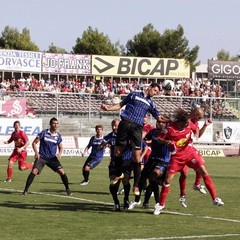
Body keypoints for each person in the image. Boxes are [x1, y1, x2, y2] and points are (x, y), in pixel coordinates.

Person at [101, 82, 169, 196]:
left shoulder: (151, 103)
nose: (155, 93)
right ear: (150, 88)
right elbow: (120, 104)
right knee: (118, 152)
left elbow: (159, 117)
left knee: (137, 157)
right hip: (125, 123)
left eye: (157, 92)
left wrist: (172, 121)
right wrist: (108, 108)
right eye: (155, 90)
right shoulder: (134, 95)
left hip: (137, 128)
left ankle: (136, 186)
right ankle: (118, 174)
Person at [154, 108, 224, 215]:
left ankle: (215, 198)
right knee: (168, 181)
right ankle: (161, 205)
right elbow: (159, 139)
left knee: (204, 171)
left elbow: (197, 134)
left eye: (188, 123)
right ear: (179, 122)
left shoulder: (189, 124)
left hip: (190, 153)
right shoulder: (170, 129)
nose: (187, 125)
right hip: (176, 158)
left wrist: (201, 128)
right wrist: (167, 141)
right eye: (185, 123)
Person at [22, 117, 72, 196]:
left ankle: (68, 189)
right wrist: (36, 153)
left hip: (52, 158)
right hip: (42, 157)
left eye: (57, 123)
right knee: (34, 171)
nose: (56, 125)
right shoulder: (44, 133)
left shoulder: (58, 135)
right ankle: (25, 190)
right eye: (54, 123)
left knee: (62, 172)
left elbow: (61, 146)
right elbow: (34, 143)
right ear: (50, 124)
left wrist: (60, 153)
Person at [128, 120, 171, 210]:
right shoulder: (153, 132)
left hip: (162, 161)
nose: (158, 123)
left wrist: (164, 141)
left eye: (161, 122)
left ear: (166, 124)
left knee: (153, 178)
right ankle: (137, 200)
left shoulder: (169, 133)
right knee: (141, 179)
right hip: (152, 160)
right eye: (158, 122)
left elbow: (170, 141)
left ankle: (158, 203)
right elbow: (144, 138)